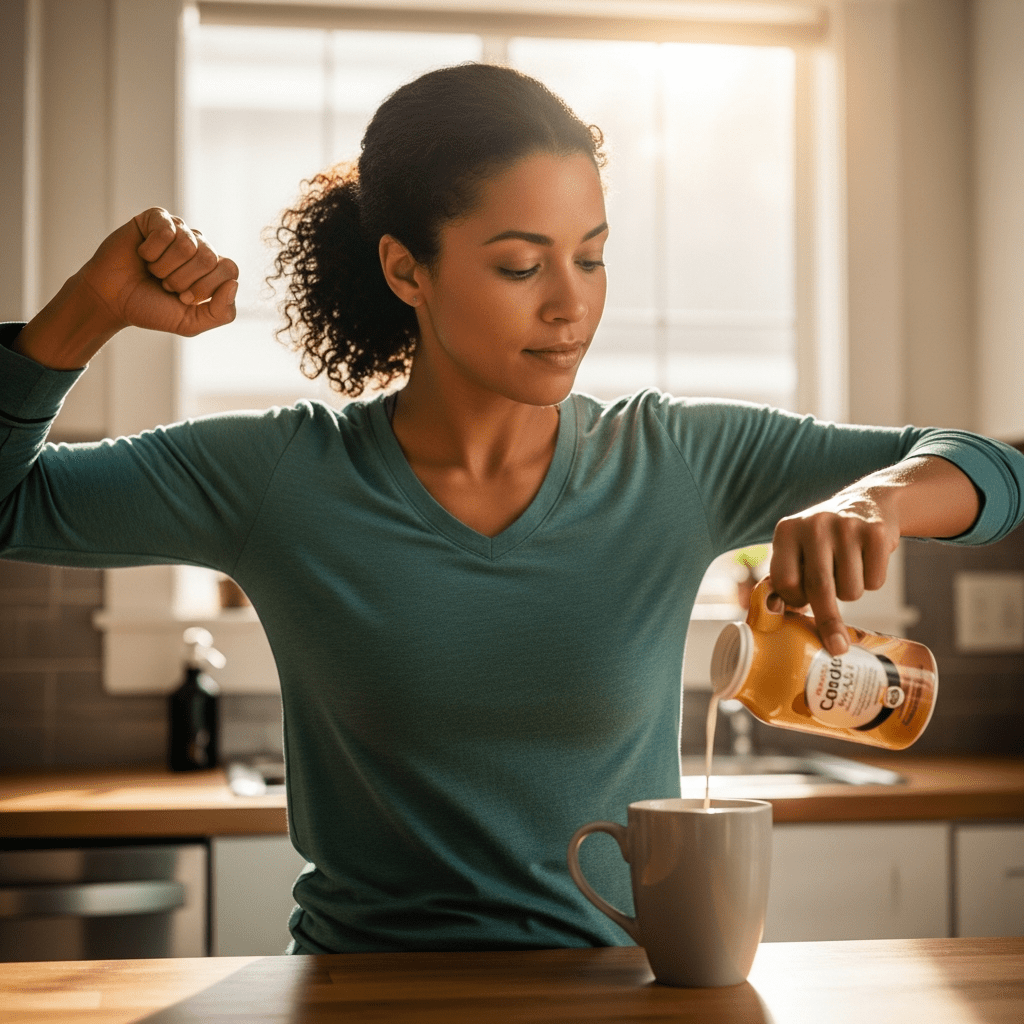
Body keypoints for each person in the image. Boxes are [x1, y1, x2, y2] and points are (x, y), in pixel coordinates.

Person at [2, 63, 1022, 955]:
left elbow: (991, 472)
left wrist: (879, 502)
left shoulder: (674, 458)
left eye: (591, 254)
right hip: (361, 997)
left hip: (622, 992)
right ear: (407, 268)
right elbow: (15, 507)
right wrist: (85, 309)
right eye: (520, 264)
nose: (570, 304)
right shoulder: (282, 475)